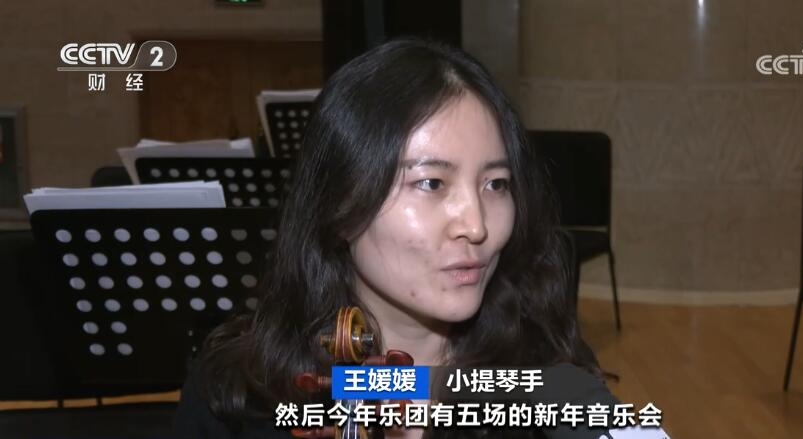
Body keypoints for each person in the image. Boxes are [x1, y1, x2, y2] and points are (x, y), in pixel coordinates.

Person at [174, 38, 669, 439]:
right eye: (431, 183)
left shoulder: (544, 380)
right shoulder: (237, 391)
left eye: (496, 184)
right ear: (339, 204)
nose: (476, 225)